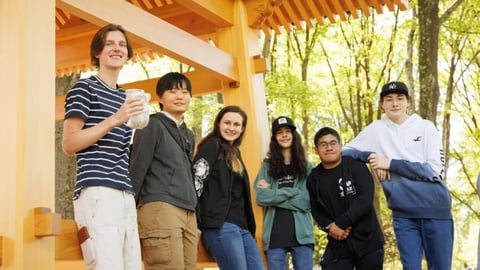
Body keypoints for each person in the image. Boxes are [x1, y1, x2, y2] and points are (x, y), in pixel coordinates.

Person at [342, 81, 453, 270]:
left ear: (408, 102)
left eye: (400, 98)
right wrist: (372, 157)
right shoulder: (376, 130)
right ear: (382, 105)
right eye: (389, 99)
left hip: (436, 209)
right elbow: (344, 152)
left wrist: (391, 164)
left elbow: (435, 171)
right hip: (403, 214)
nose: (395, 103)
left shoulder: (426, 127)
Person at [62, 24, 143, 270]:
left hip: (125, 194)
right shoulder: (84, 88)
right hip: (97, 190)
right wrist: (115, 119)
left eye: (122, 44)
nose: (117, 48)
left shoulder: (126, 97)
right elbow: (69, 143)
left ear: (128, 54)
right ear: (97, 52)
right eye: (109, 43)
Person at [129, 72, 198, 270]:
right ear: (159, 97)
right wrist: (127, 211)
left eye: (185, 92)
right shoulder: (150, 124)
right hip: (160, 206)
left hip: (188, 212)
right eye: (173, 91)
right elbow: (137, 169)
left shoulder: (188, 134)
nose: (180, 96)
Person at [192, 105, 264, 270]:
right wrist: (194, 221)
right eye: (227, 123)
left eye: (236, 125)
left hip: (243, 228)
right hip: (220, 226)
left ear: (242, 128)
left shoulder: (235, 152)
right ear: (218, 124)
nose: (231, 128)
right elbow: (197, 182)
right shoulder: (211, 146)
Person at [306, 127, 384, 270]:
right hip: (338, 242)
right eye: (323, 144)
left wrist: (341, 224)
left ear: (340, 146)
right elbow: (315, 209)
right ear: (316, 150)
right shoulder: (313, 178)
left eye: (333, 143)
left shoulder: (355, 166)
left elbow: (365, 199)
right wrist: (330, 227)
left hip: (367, 239)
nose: (329, 148)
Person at [254, 116, 314, 270]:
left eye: (288, 131)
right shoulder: (267, 166)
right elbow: (260, 197)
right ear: (274, 138)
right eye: (279, 132)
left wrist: (273, 194)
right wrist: (292, 191)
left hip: (302, 235)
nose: (284, 135)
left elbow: (306, 201)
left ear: (294, 135)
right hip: (274, 236)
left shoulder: (307, 167)